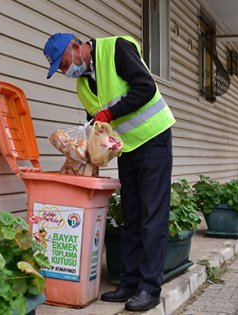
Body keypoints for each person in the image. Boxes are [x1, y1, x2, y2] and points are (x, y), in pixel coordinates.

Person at [43, 33, 175, 312]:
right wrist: (86, 148)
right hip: (126, 148)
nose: (66, 71)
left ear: (76, 48)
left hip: (154, 139)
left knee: (153, 215)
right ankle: (128, 283)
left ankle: (149, 288)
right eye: (61, 69)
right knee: (132, 215)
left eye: (64, 63)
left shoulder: (116, 49)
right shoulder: (82, 86)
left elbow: (145, 88)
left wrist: (110, 114)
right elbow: (96, 122)